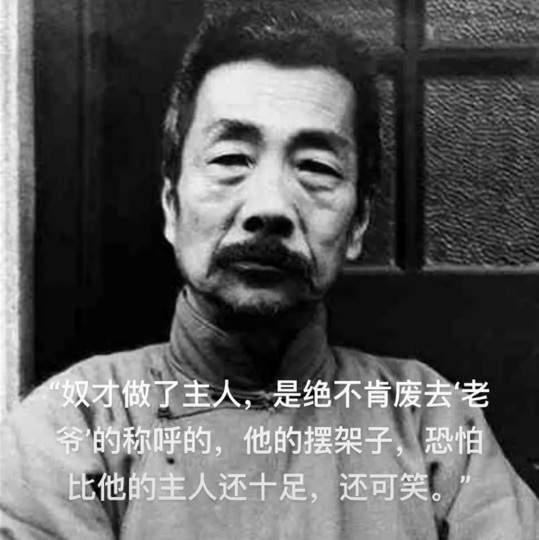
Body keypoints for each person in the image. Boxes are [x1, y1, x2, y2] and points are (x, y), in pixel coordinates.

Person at [1, 6, 537, 540]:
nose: (270, 206)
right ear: (171, 205)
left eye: (316, 168)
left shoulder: (429, 420)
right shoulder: (76, 422)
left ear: (357, 224)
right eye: (230, 158)